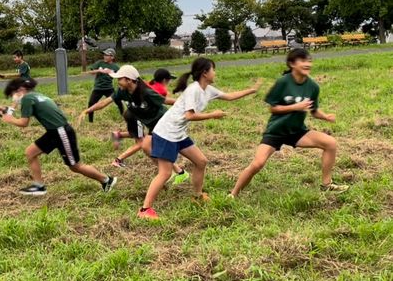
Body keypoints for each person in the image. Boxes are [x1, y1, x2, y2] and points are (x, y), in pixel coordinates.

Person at [137, 58, 262, 219]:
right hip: (167, 133)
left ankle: (197, 196)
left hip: (179, 133)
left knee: (201, 161)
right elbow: (189, 115)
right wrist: (213, 115)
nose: (215, 73)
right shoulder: (193, 90)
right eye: (213, 70)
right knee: (165, 173)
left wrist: (251, 90)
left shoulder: (207, 89)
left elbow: (229, 96)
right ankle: (145, 210)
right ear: (205, 73)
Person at [229, 49, 349, 198]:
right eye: (303, 61)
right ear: (292, 64)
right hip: (276, 132)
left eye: (309, 61)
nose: (307, 64)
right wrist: (295, 107)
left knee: (330, 143)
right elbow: (273, 108)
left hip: (297, 132)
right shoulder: (283, 82)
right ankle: (233, 194)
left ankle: (326, 184)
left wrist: (326, 117)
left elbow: (314, 111)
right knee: (257, 164)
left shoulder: (313, 86)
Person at [2, 78, 117, 196]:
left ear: (20, 90)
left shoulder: (27, 99)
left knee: (75, 166)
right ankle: (39, 186)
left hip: (61, 132)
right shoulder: (35, 95)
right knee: (30, 153)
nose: (13, 97)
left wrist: (10, 119)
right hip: (55, 131)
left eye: (12, 94)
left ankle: (107, 180)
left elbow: (23, 123)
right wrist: (13, 106)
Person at [78, 65, 188, 185]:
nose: (117, 81)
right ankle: (176, 172)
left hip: (163, 122)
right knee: (149, 149)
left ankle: (171, 172)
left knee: (150, 147)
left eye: (120, 79)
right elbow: (105, 101)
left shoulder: (146, 92)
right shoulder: (122, 92)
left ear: (129, 80)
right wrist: (88, 110)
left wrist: (186, 104)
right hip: (151, 125)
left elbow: (165, 101)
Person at [85, 48, 124, 122]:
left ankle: (123, 116)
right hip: (98, 88)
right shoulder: (99, 63)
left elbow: (121, 76)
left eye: (107, 55)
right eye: (104, 55)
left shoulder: (115, 67)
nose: (104, 56)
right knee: (91, 103)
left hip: (109, 88)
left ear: (112, 57)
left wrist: (112, 73)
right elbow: (90, 72)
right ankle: (90, 121)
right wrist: (99, 70)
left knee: (118, 101)